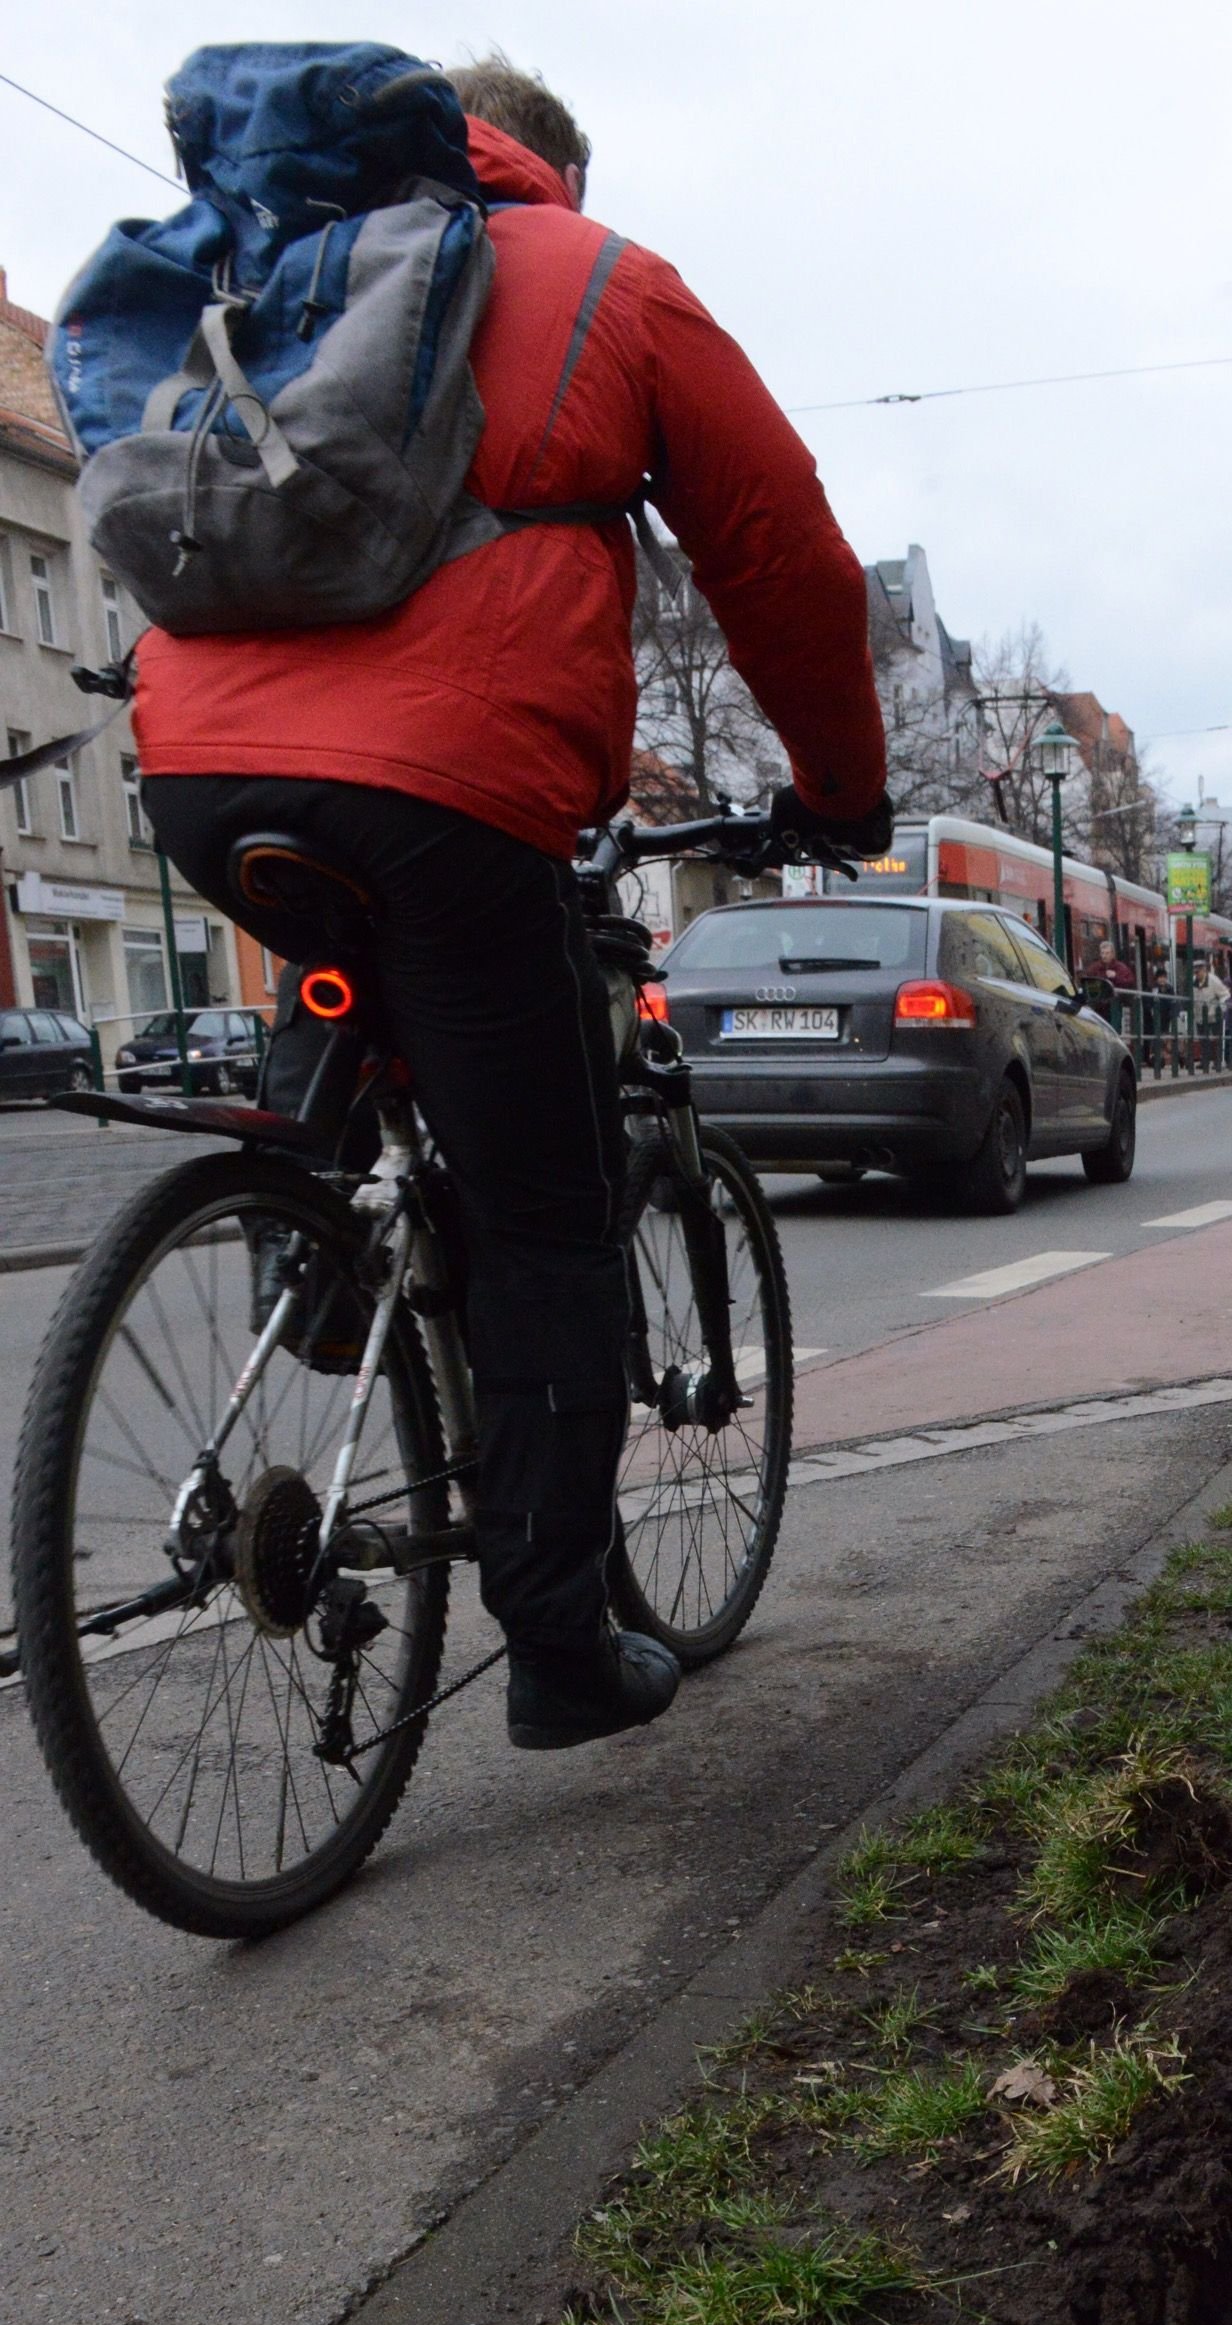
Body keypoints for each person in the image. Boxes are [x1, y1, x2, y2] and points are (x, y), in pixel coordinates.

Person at [135, 58, 888, 1751]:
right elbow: (782, 558)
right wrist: (842, 786)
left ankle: (316, 1269)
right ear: (548, 165)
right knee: (545, 1219)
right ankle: (555, 1645)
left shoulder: (262, 253)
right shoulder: (603, 277)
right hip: (455, 795)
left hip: (199, 772)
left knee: (344, 993)